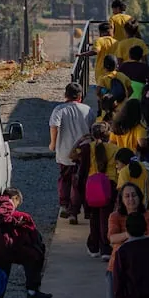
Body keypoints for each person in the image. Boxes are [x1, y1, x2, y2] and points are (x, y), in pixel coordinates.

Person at [106, 183, 149, 298]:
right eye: (126, 196)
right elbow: (112, 238)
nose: (130, 199)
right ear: (121, 199)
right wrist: (132, 234)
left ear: (140, 197)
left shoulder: (148, 216)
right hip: (116, 268)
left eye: (133, 195)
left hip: (142, 269)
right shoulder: (115, 216)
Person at [70, 122, 116, 259]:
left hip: (91, 186)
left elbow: (71, 155)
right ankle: (106, 249)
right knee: (106, 218)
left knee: (94, 217)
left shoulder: (86, 148)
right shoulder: (114, 148)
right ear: (108, 134)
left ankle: (94, 247)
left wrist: (79, 141)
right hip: (109, 184)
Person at [49, 82, 94, 224]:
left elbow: (54, 126)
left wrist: (53, 143)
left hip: (65, 151)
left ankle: (64, 205)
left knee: (65, 178)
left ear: (65, 95)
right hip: (83, 152)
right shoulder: (87, 110)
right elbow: (93, 129)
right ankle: (75, 212)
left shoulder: (59, 110)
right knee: (80, 181)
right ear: (80, 96)